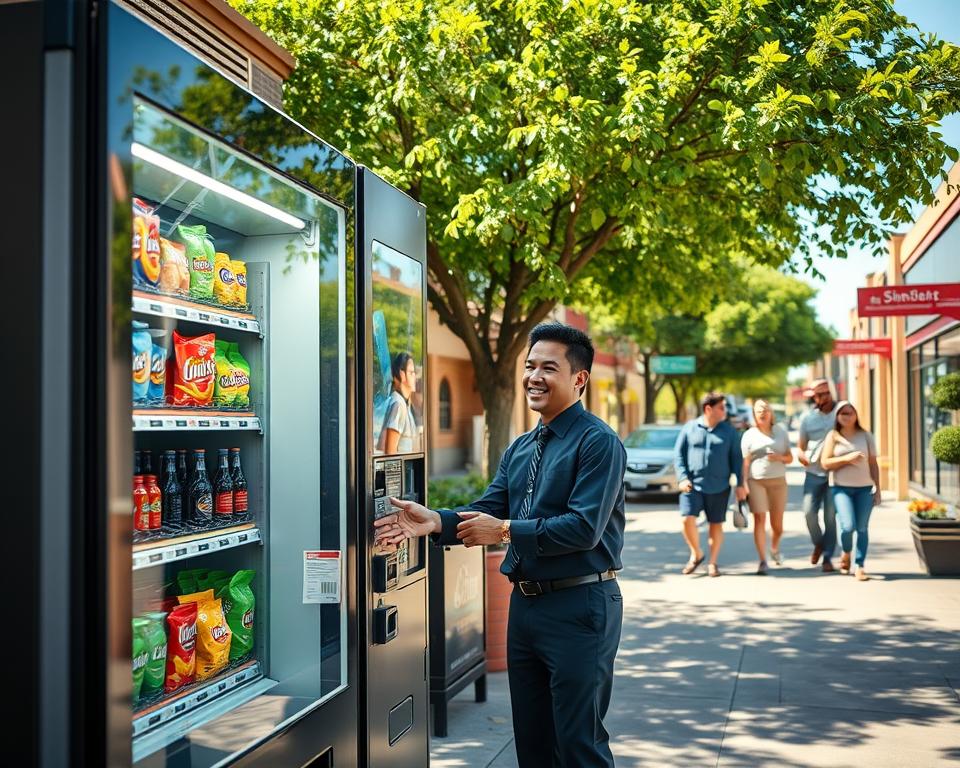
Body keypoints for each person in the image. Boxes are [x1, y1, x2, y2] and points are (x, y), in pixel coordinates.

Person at [374, 323, 626, 768]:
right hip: (526, 609)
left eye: (549, 367)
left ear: (579, 379)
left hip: (581, 605)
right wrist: (435, 521)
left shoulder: (598, 443)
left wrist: (505, 531)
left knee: (578, 744)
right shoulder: (521, 448)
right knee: (531, 742)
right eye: (530, 366)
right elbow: (489, 507)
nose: (534, 376)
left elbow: (583, 528)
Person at [673, 392, 748, 578]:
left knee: (716, 524)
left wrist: (740, 484)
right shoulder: (689, 428)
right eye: (721, 407)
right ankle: (696, 553)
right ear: (708, 409)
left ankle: (712, 563)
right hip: (692, 485)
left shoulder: (729, 431)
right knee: (686, 519)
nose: (725, 411)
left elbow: (737, 460)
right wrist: (682, 478)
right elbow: (678, 455)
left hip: (720, 486)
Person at [820, 401, 881, 581]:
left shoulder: (866, 435)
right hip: (841, 488)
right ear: (837, 416)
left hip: (865, 488)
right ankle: (846, 552)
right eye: (843, 413)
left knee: (862, 528)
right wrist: (847, 458)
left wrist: (878, 488)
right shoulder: (833, 436)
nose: (847, 416)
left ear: (856, 415)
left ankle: (859, 566)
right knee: (847, 526)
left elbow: (873, 463)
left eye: (850, 413)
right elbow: (825, 463)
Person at [740, 400, 792, 575]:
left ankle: (774, 548)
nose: (762, 413)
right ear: (754, 414)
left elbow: (790, 458)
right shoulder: (749, 435)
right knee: (760, 520)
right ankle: (763, 560)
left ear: (771, 413)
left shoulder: (780, 432)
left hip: (778, 482)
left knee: (777, 526)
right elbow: (745, 463)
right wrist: (744, 484)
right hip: (756, 481)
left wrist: (779, 457)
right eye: (758, 410)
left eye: (765, 410)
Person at [797, 378, 840, 572]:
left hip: (835, 473)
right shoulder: (807, 418)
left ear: (828, 394)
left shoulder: (841, 414)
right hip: (813, 472)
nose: (816, 398)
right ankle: (819, 544)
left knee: (830, 517)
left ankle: (828, 557)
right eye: (814, 395)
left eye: (819, 394)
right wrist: (801, 455)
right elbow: (801, 446)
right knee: (809, 513)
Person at [376, 351, 419, 454]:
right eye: (411, 373)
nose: (415, 377)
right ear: (402, 374)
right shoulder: (398, 405)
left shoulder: (404, 404)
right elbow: (390, 453)